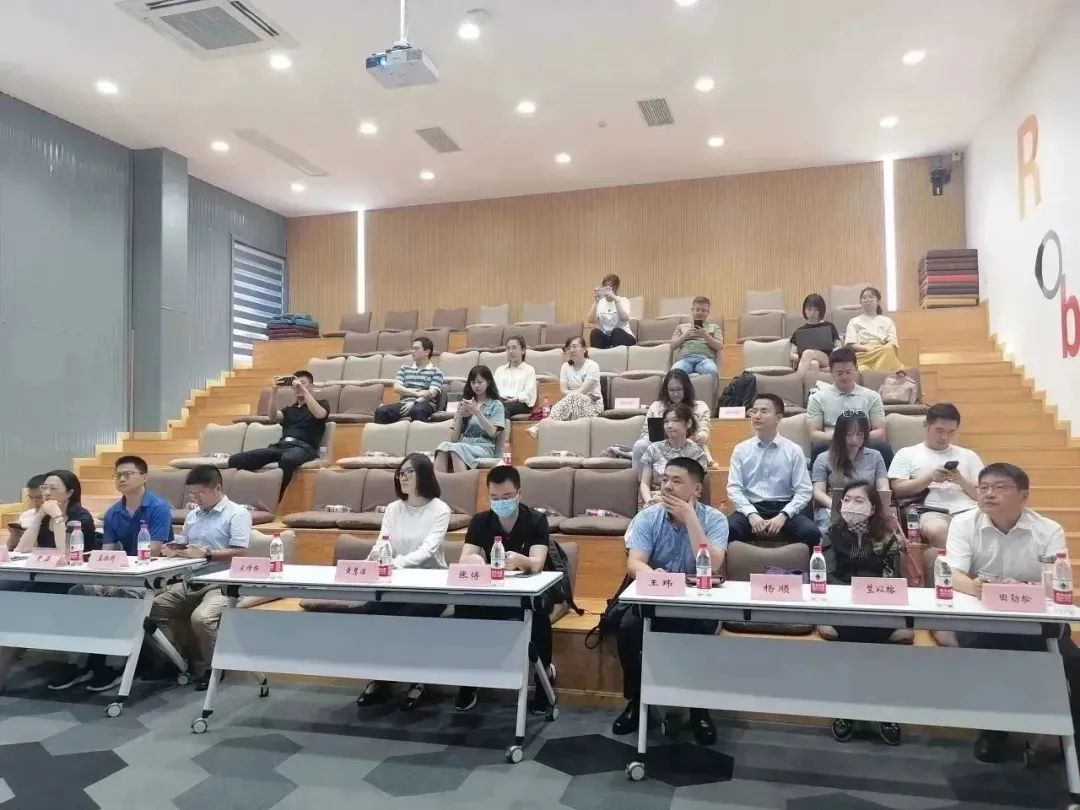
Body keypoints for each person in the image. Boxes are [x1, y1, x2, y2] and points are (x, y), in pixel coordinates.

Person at [944, 463, 1070, 763]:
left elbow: (1057, 582)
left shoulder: (1048, 529)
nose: (989, 494)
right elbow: (952, 573)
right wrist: (977, 588)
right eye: (984, 487)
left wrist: (1024, 588)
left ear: (1023, 496)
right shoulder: (963, 523)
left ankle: (1067, 738)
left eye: (1000, 488)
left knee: (1071, 663)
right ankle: (994, 729)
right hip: (984, 616)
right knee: (988, 653)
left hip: (1034, 616)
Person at [614, 457, 728, 743]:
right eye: (665, 479)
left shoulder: (715, 520)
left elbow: (712, 564)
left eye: (676, 481)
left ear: (697, 489)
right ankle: (637, 701)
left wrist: (690, 518)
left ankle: (699, 709)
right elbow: (634, 563)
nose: (667, 486)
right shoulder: (648, 517)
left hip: (698, 603)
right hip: (657, 598)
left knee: (700, 633)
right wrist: (654, 575)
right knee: (628, 629)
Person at [48, 455, 177, 693]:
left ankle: (115, 664)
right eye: (118, 475)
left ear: (144, 477)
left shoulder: (158, 507)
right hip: (123, 573)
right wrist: (107, 578)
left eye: (128, 474)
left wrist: (120, 578)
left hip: (153, 575)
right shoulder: (112, 512)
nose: (122, 479)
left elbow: (154, 548)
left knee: (122, 596)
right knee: (81, 591)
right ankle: (79, 663)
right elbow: (107, 551)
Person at [455, 466, 554, 714]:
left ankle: (544, 678)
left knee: (538, 618)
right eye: (495, 497)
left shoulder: (536, 520)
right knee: (464, 608)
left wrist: (521, 560)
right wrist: (475, 561)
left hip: (529, 591)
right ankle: (469, 679)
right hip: (494, 592)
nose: (501, 502)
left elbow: (537, 562)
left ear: (519, 493)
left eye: (507, 496)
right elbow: (465, 557)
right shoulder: (480, 521)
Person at [356, 453, 450, 711]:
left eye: (409, 472)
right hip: (395, 585)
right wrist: (373, 557)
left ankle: (419, 680)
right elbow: (382, 542)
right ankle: (381, 676)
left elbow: (428, 550)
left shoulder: (440, 509)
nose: (402, 477)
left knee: (409, 617)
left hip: (430, 586)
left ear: (425, 474)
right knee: (369, 614)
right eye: (400, 473)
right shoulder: (393, 509)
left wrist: (396, 563)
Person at [819, 481, 909, 747]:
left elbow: (893, 579)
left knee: (868, 632)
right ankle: (852, 709)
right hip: (842, 606)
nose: (851, 506)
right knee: (857, 633)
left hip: (879, 606)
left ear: (872, 508)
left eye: (859, 501)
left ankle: (877, 710)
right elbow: (827, 576)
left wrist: (869, 596)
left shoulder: (888, 538)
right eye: (847, 500)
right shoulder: (831, 535)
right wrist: (851, 595)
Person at [149, 466, 251, 691]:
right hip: (191, 580)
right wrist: (174, 548)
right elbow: (185, 543)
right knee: (151, 610)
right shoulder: (193, 515)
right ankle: (176, 661)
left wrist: (206, 554)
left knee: (202, 619)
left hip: (222, 583)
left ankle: (213, 669)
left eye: (200, 493)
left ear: (217, 488)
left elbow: (241, 551)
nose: (195, 499)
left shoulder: (238, 513)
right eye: (192, 494)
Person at [726, 395, 818, 548]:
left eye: (764, 411)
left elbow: (804, 490)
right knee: (726, 530)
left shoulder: (793, 450)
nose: (757, 416)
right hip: (752, 506)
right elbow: (734, 488)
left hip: (784, 507)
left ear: (778, 417)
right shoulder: (741, 450)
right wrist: (751, 514)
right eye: (754, 411)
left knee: (811, 532)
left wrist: (783, 515)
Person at [888, 403, 982, 548]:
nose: (945, 437)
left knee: (992, 523)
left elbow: (981, 495)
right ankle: (954, 563)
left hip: (969, 509)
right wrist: (930, 478)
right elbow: (897, 490)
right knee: (937, 530)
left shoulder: (968, 456)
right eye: (939, 430)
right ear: (926, 426)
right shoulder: (907, 454)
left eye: (951, 432)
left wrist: (961, 480)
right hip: (931, 510)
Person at [228, 369, 329, 495]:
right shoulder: (289, 409)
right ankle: (248, 494)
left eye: (303, 383)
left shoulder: (322, 403)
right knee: (235, 460)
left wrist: (303, 389)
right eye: (296, 384)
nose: (298, 386)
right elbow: (272, 416)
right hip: (281, 447)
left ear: (312, 387)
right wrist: (274, 391)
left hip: (304, 449)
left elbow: (320, 414)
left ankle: (276, 496)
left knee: (288, 459)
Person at [806, 347, 892, 467]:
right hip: (833, 443)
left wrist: (856, 438)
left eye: (848, 372)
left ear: (856, 369)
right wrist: (842, 438)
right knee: (819, 449)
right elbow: (814, 434)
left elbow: (880, 432)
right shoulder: (817, 398)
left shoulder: (872, 396)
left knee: (884, 448)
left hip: (864, 443)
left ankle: (885, 479)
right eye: (839, 373)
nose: (844, 377)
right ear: (831, 372)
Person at [811, 412, 889, 533]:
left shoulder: (875, 456)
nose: (854, 439)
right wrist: (840, 507)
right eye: (849, 434)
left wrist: (869, 508)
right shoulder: (823, 458)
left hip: (867, 510)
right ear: (839, 435)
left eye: (860, 434)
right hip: (833, 509)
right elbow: (818, 492)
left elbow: (883, 489)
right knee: (831, 533)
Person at [632, 369, 712, 471]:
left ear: (686, 389)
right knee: (640, 445)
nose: (675, 393)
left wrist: (699, 436)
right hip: (659, 447)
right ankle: (640, 479)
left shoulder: (700, 407)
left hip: (688, 445)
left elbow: (704, 431)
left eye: (679, 389)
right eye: (672, 390)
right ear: (666, 390)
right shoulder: (656, 406)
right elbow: (645, 433)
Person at [434, 366, 506, 471]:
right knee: (442, 447)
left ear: (488, 382)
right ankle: (439, 481)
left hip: (484, 447)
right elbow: (454, 438)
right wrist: (460, 416)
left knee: (457, 449)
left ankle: (463, 481)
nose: (476, 386)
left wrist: (477, 412)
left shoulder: (496, 404)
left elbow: (492, 432)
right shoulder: (465, 403)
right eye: (473, 382)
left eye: (480, 382)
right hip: (464, 444)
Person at [528, 336, 602, 437]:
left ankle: (542, 426)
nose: (571, 350)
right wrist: (570, 396)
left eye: (575, 347)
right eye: (568, 348)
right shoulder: (565, 367)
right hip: (571, 404)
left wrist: (570, 395)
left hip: (593, 405)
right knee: (571, 401)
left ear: (584, 349)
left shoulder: (593, 366)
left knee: (574, 397)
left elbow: (582, 391)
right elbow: (563, 391)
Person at [638, 403, 708, 508]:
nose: (669, 426)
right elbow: (644, 484)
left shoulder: (698, 453)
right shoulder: (653, 448)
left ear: (688, 423)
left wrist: (665, 499)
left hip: (684, 505)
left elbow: (695, 491)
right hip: (653, 503)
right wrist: (649, 501)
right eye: (666, 422)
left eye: (675, 420)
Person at [13, 469, 95, 555]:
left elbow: (66, 554)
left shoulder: (81, 517)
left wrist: (57, 517)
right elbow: (22, 549)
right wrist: (40, 515)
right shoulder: (46, 515)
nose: (46, 493)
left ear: (69, 493)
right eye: (44, 488)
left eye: (53, 488)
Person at [373, 337, 445, 424]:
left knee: (417, 410)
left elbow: (431, 394)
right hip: (404, 403)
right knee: (381, 411)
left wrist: (414, 402)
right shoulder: (404, 368)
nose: (413, 351)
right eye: (412, 349)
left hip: (424, 403)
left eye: (416, 349)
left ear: (427, 352)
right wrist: (416, 393)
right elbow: (397, 388)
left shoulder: (436, 372)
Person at [844, 286, 902, 372]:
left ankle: (877, 376)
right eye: (864, 298)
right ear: (861, 302)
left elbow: (892, 342)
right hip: (864, 355)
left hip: (883, 352)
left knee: (888, 351)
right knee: (863, 370)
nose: (867, 299)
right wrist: (867, 348)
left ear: (878, 301)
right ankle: (881, 377)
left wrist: (881, 349)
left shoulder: (887, 321)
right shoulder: (854, 321)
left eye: (871, 297)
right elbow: (850, 344)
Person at [670, 296, 723, 377]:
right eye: (697, 310)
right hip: (684, 359)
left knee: (712, 371)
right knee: (674, 374)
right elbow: (672, 346)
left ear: (708, 312)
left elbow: (719, 346)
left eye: (703, 310)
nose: (700, 313)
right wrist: (685, 335)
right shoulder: (681, 327)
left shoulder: (715, 327)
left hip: (705, 360)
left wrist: (705, 335)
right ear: (692, 310)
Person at [789, 293, 842, 372]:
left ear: (821, 310)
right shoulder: (799, 331)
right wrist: (805, 358)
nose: (812, 312)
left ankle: (797, 379)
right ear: (804, 310)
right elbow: (792, 355)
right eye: (809, 309)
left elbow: (839, 347)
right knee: (814, 364)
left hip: (826, 359)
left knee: (808, 353)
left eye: (816, 310)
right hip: (806, 361)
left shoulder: (829, 326)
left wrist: (833, 354)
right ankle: (811, 380)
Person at [494, 335, 537, 419]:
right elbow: (494, 389)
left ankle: (495, 427)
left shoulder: (529, 370)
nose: (510, 351)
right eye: (508, 348)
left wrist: (515, 399)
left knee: (502, 408)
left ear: (523, 350)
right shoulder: (500, 370)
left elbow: (529, 393)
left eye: (514, 348)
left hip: (520, 403)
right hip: (501, 400)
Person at [587, 273, 635, 348]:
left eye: (610, 286)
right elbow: (591, 320)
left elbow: (624, 318)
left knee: (616, 332)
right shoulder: (600, 302)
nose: (607, 289)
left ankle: (615, 353)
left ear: (616, 287)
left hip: (623, 336)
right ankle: (599, 355)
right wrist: (596, 302)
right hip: (606, 337)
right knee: (595, 333)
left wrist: (615, 300)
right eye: (605, 286)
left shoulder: (623, 300)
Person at [9, 473, 45, 548]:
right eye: (31, 497)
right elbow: (11, 547)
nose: (34, 501)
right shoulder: (26, 515)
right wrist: (14, 534)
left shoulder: (57, 516)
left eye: (39, 497)